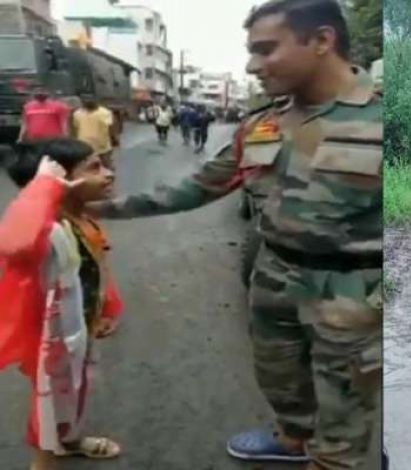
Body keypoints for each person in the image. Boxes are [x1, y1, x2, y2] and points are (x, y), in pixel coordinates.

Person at [91, 1, 382, 468]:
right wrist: (98, 207)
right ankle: (293, 438)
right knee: (280, 380)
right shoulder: (264, 123)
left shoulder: (383, 117)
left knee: (344, 428)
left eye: (266, 49)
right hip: (273, 277)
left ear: (322, 41)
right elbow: (200, 185)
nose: (252, 65)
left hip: (352, 293)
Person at [0, 138, 121, 470]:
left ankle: (68, 441)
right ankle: (43, 463)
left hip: (80, 328)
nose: (108, 173)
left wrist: (107, 307)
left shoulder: (81, 219)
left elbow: (94, 264)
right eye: (94, 168)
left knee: (75, 390)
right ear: (63, 182)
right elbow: (14, 243)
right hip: (50, 340)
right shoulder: (45, 230)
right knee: (49, 403)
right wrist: (44, 187)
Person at [72, 96, 118, 169]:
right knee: (105, 163)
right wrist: (114, 138)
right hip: (94, 144)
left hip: (93, 144)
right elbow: (111, 128)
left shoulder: (77, 113)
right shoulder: (105, 112)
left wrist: (114, 138)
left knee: (101, 164)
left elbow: (75, 128)